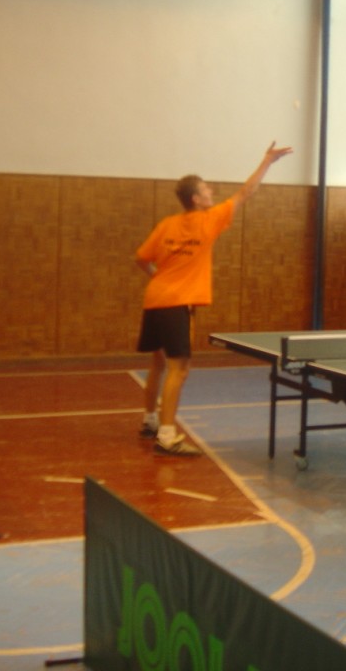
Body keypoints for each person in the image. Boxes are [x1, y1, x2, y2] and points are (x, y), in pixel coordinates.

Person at [134, 141, 293, 456]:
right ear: (196, 198)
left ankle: (149, 419)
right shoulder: (209, 220)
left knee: (159, 363)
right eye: (206, 189)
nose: (212, 193)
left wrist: (158, 278)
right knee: (180, 369)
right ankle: (167, 436)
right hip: (177, 304)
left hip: (154, 300)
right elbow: (246, 192)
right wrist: (266, 162)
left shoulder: (167, 224)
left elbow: (140, 258)